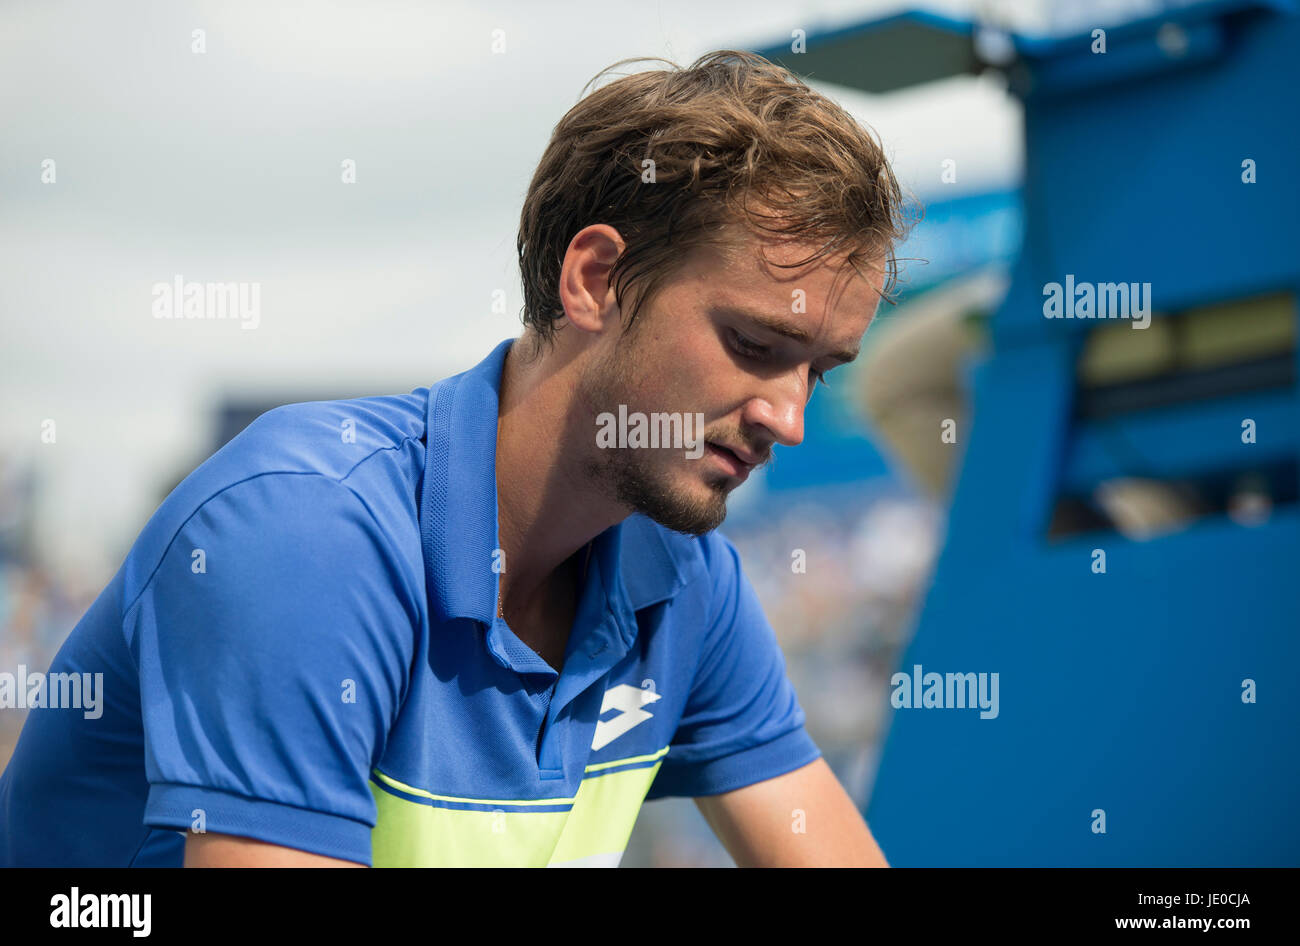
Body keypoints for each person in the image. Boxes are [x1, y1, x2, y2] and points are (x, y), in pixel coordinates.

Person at [0, 50, 907, 867]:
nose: (788, 419)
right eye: (753, 343)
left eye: (818, 371)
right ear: (593, 280)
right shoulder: (302, 530)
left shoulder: (686, 578)